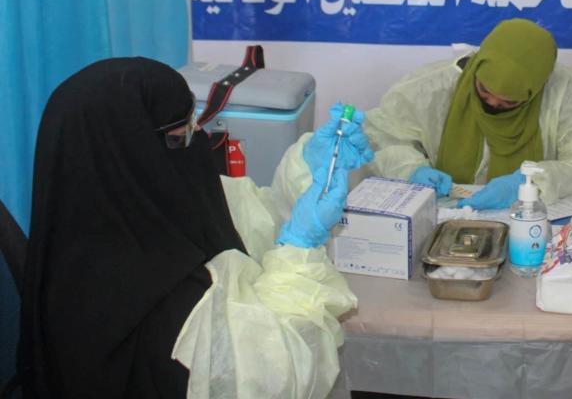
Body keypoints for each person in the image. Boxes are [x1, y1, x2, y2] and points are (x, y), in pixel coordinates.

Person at [18, 57, 373, 398]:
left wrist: (307, 172)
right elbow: (275, 378)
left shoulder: (117, 220)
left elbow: (246, 217)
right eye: (181, 136)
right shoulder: (156, 307)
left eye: (195, 123)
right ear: (135, 158)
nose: (200, 140)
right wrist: (300, 250)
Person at [363, 18, 572, 209]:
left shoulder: (562, 92)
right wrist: (411, 170)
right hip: (445, 215)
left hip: (528, 220)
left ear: (534, 93)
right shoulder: (430, 88)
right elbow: (383, 138)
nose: (492, 102)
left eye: (508, 102)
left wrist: (532, 182)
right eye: (484, 89)